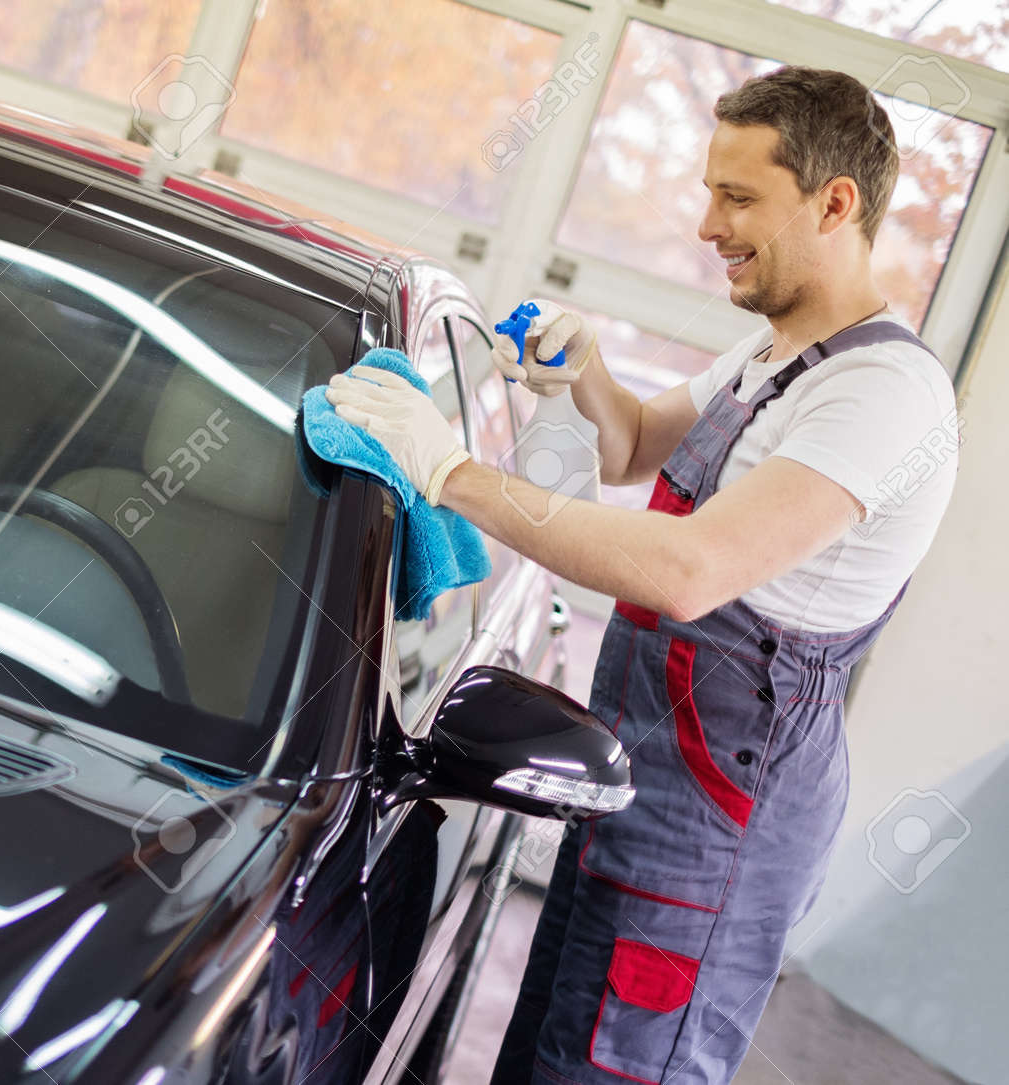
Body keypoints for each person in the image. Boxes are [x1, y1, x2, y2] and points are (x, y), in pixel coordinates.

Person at [325, 66, 959, 1085]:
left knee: (618, 1066)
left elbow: (688, 569)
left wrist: (450, 471)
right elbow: (628, 450)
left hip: (717, 837)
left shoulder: (884, 393)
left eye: (737, 196)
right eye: (711, 191)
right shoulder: (772, 354)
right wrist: (584, 375)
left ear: (833, 203)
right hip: (639, 788)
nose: (708, 223)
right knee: (546, 1055)